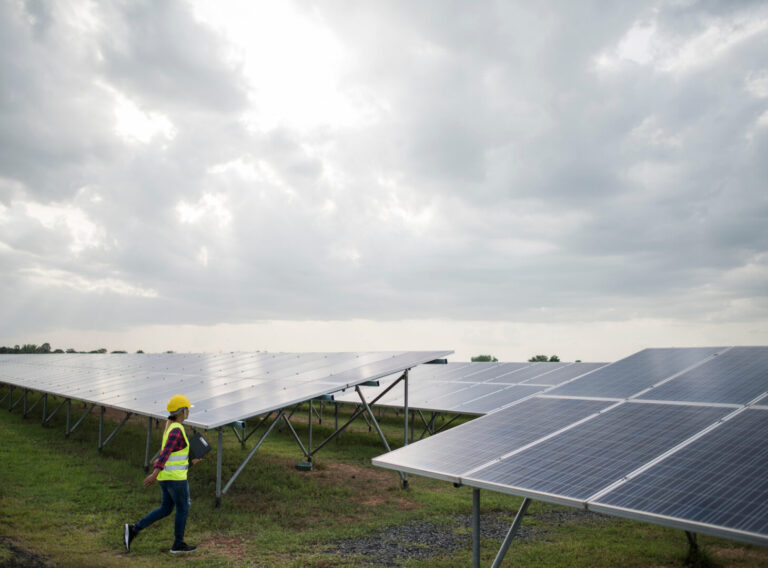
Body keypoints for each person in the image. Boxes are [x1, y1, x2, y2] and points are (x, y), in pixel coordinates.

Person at [124, 394, 202, 554]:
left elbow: (173, 457)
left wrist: (190, 463)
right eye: (187, 409)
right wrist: (154, 474)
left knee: (166, 509)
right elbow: (165, 453)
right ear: (182, 411)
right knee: (183, 508)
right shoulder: (176, 430)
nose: (189, 412)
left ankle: (134, 529)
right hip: (175, 480)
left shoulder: (171, 427)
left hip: (167, 478)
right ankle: (178, 545)